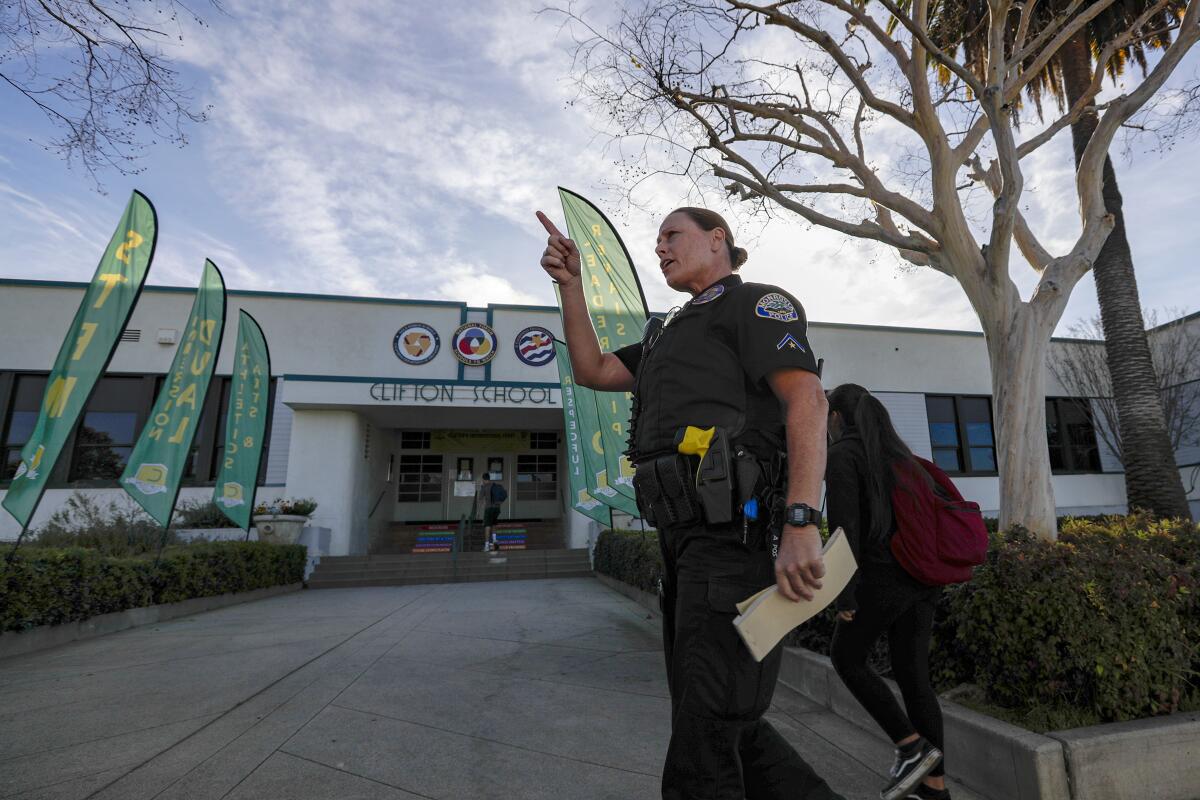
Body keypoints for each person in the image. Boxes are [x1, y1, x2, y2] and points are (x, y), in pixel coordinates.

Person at [537, 206, 844, 800]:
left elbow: (807, 398)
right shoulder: (663, 332)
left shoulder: (755, 303)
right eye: (656, 242)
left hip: (735, 540)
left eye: (671, 235)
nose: (660, 249)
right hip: (681, 543)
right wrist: (570, 287)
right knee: (721, 719)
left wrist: (801, 519)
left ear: (717, 239)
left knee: (703, 742)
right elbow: (592, 369)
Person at [824, 384, 948, 800]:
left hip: (884, 580)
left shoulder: (843, 454)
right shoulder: (901, 457)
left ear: (837, 418)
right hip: (923, 579)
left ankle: (910, 747)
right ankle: (935, 788)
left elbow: (845, 534)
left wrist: (845, 596)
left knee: (846, 657)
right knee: (915, 678)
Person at [481, 476, 506, 552]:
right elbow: (503, 496)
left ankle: (487, 546)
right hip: (497, 508)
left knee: (487, 526)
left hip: (489, 509)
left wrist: (481, 510)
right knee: (494, 523)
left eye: (483, 480)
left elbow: (481, 500)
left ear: (484, 480)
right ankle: (494, 540)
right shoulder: (496, 486)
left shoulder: (484, 487)